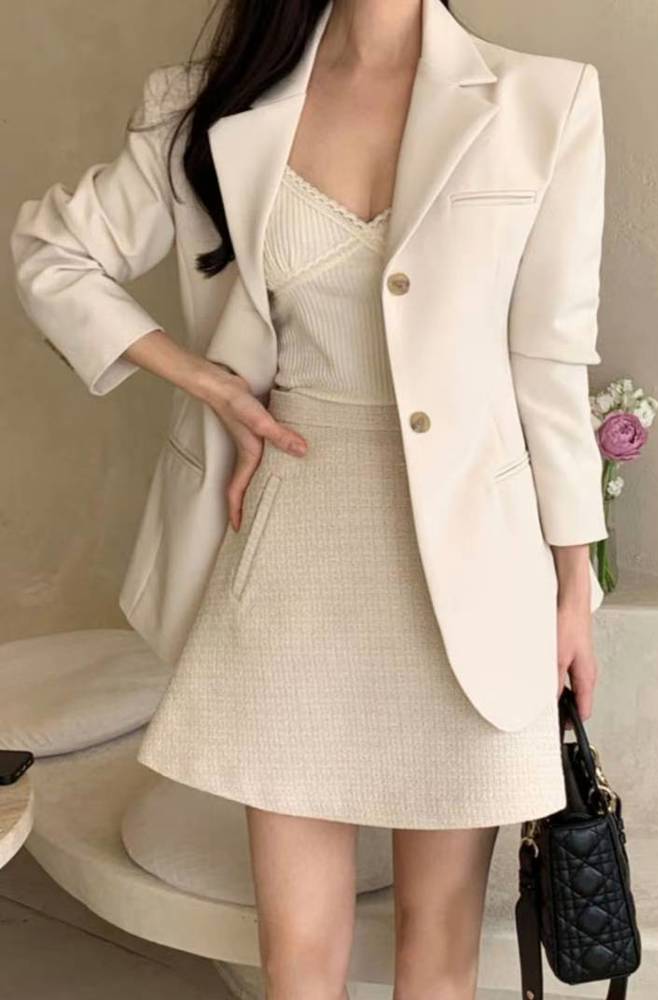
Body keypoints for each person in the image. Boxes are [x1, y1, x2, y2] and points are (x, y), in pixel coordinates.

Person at [9, 0, 609, 996]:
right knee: (298, 956)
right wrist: (208, 383)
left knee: (440, 942)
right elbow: (52, 253)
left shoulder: (542, 101)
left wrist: (574, 583)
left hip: (472, 568)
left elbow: (548, 359)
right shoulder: (208, 104)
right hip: (288, 552)